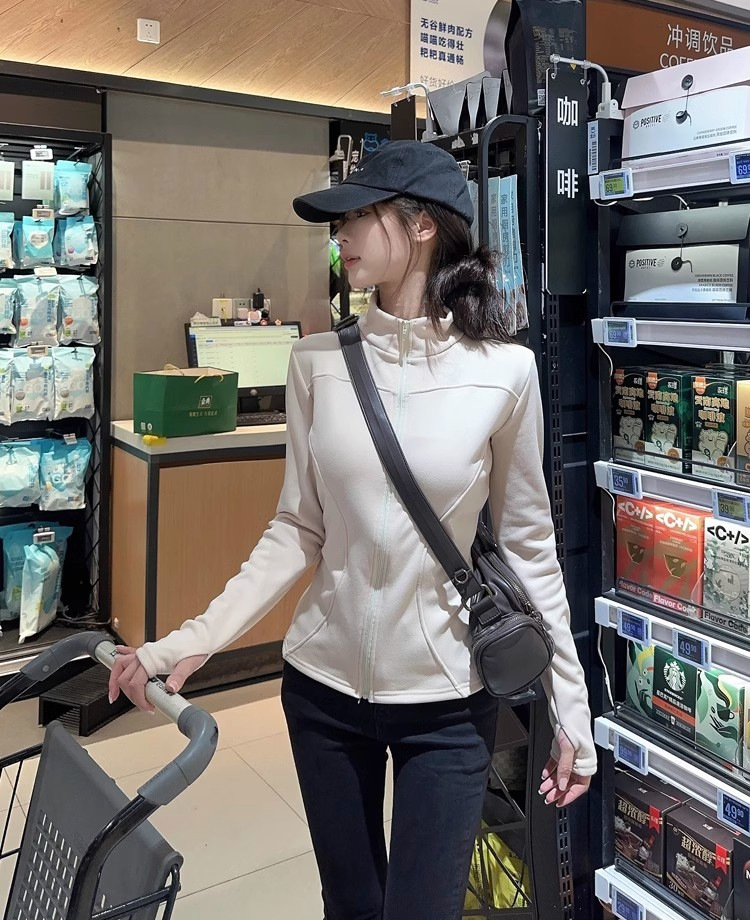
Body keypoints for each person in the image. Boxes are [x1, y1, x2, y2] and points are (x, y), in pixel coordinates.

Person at [109, 140, 596, 920]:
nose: (340, 236)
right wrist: (192, 640)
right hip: (323, 694)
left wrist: (572, 707)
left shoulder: (505, 372)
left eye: (357, 216)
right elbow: (296, 530)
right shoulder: (316, 363)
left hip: (448, 700)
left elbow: (531, 548)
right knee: (351, 906)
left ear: (423, 225)